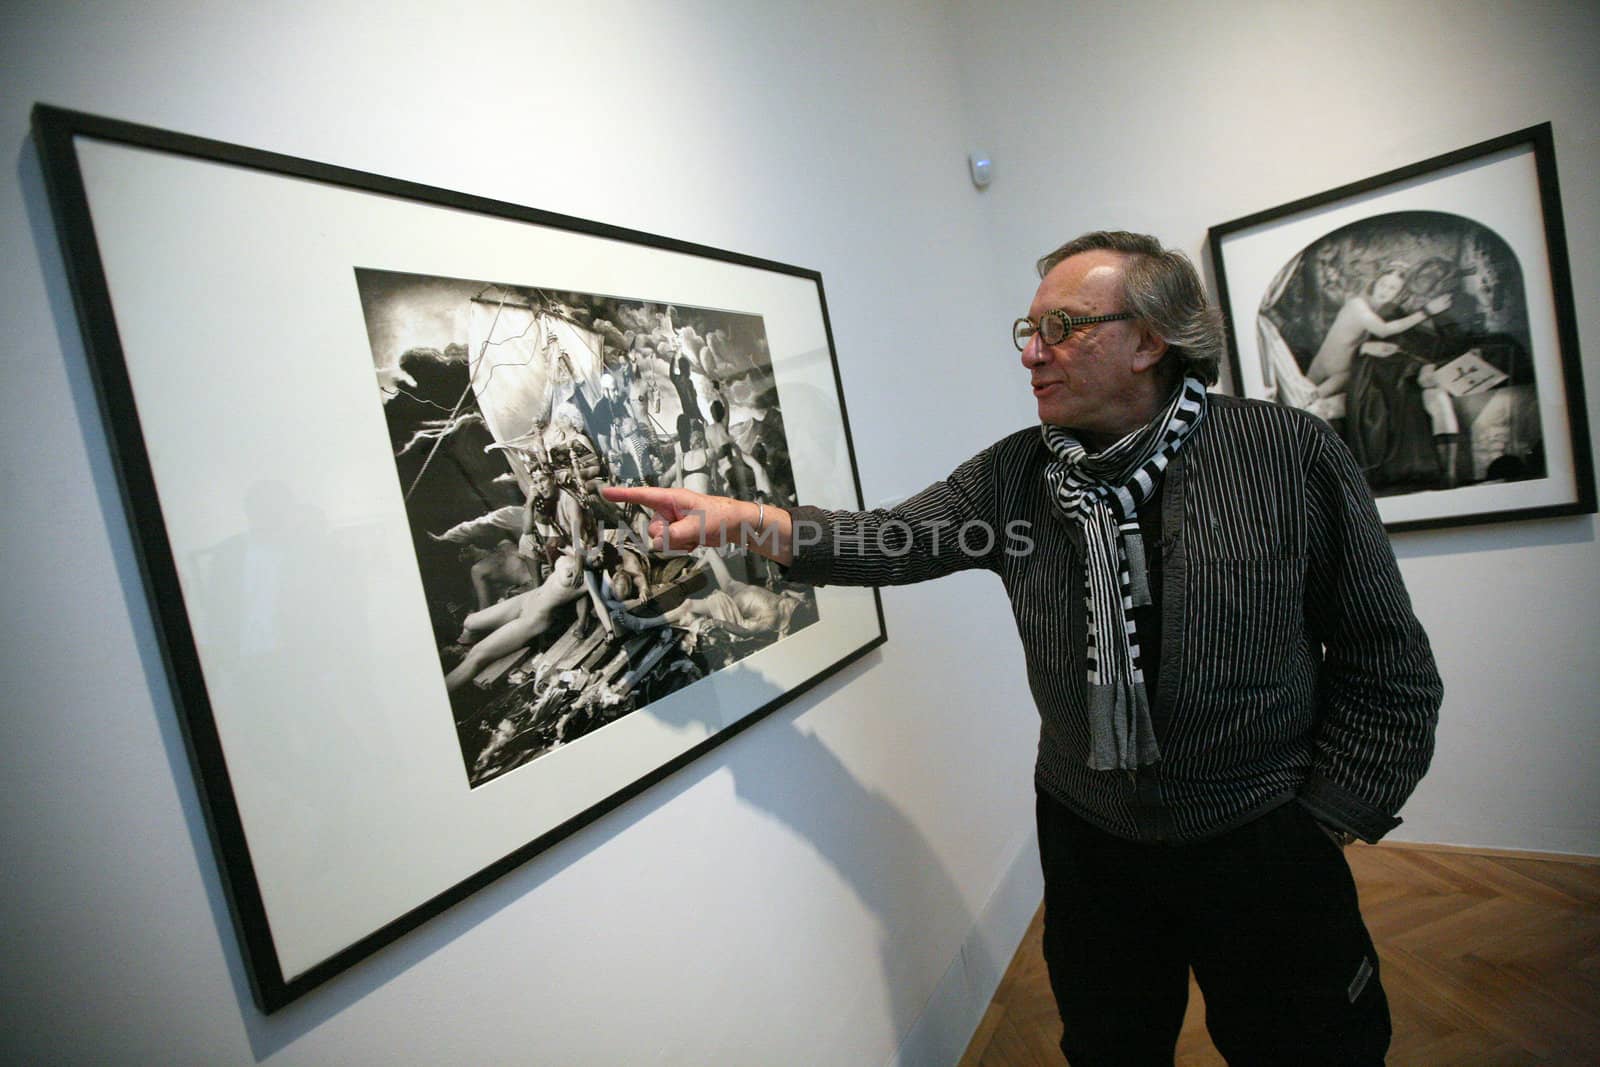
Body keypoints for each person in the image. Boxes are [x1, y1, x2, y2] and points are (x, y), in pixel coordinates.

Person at [605, 230, 1441, 1064]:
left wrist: (1325, 819)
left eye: (1064, 328)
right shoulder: (1018, 480)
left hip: (1262, 838)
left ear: (1150, 340)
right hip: (1093, 838)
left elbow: (1385, 659)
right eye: (1027, 331)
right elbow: (896, 537)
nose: (1032, 354)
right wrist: (745, 520)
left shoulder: (1286, 456)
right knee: (1109, 1045)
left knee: (1314, 1047)